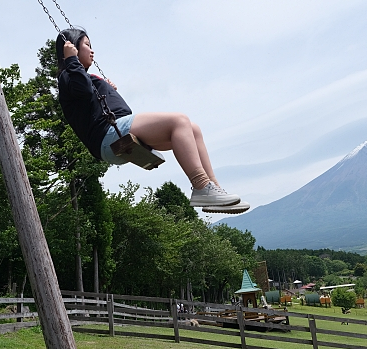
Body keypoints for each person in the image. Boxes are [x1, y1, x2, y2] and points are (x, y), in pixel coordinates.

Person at [55, 28, 249, 214]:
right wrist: (71, 59)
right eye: (87, 45)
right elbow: (83, 90)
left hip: (114, 134)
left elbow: (88, 95)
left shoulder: (81, 77)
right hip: (108, 136)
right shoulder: (67, 76)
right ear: (71, 47)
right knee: (179, 120)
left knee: (193, 129)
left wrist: (106, 88)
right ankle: (201, 186)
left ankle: (212, 187)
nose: (92, 50)